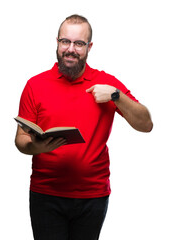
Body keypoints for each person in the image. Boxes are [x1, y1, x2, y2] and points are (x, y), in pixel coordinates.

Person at [15, 14, 153, 240]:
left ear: (89, 47)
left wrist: (116, 96)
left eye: (79, 43)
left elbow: (146, 124)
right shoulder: (35, 85)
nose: (71, 49)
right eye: (65, 41)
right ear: (57, 43)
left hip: (93, 195)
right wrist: (38, 147)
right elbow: (20, 140)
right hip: (45, 194)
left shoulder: (106, 84)